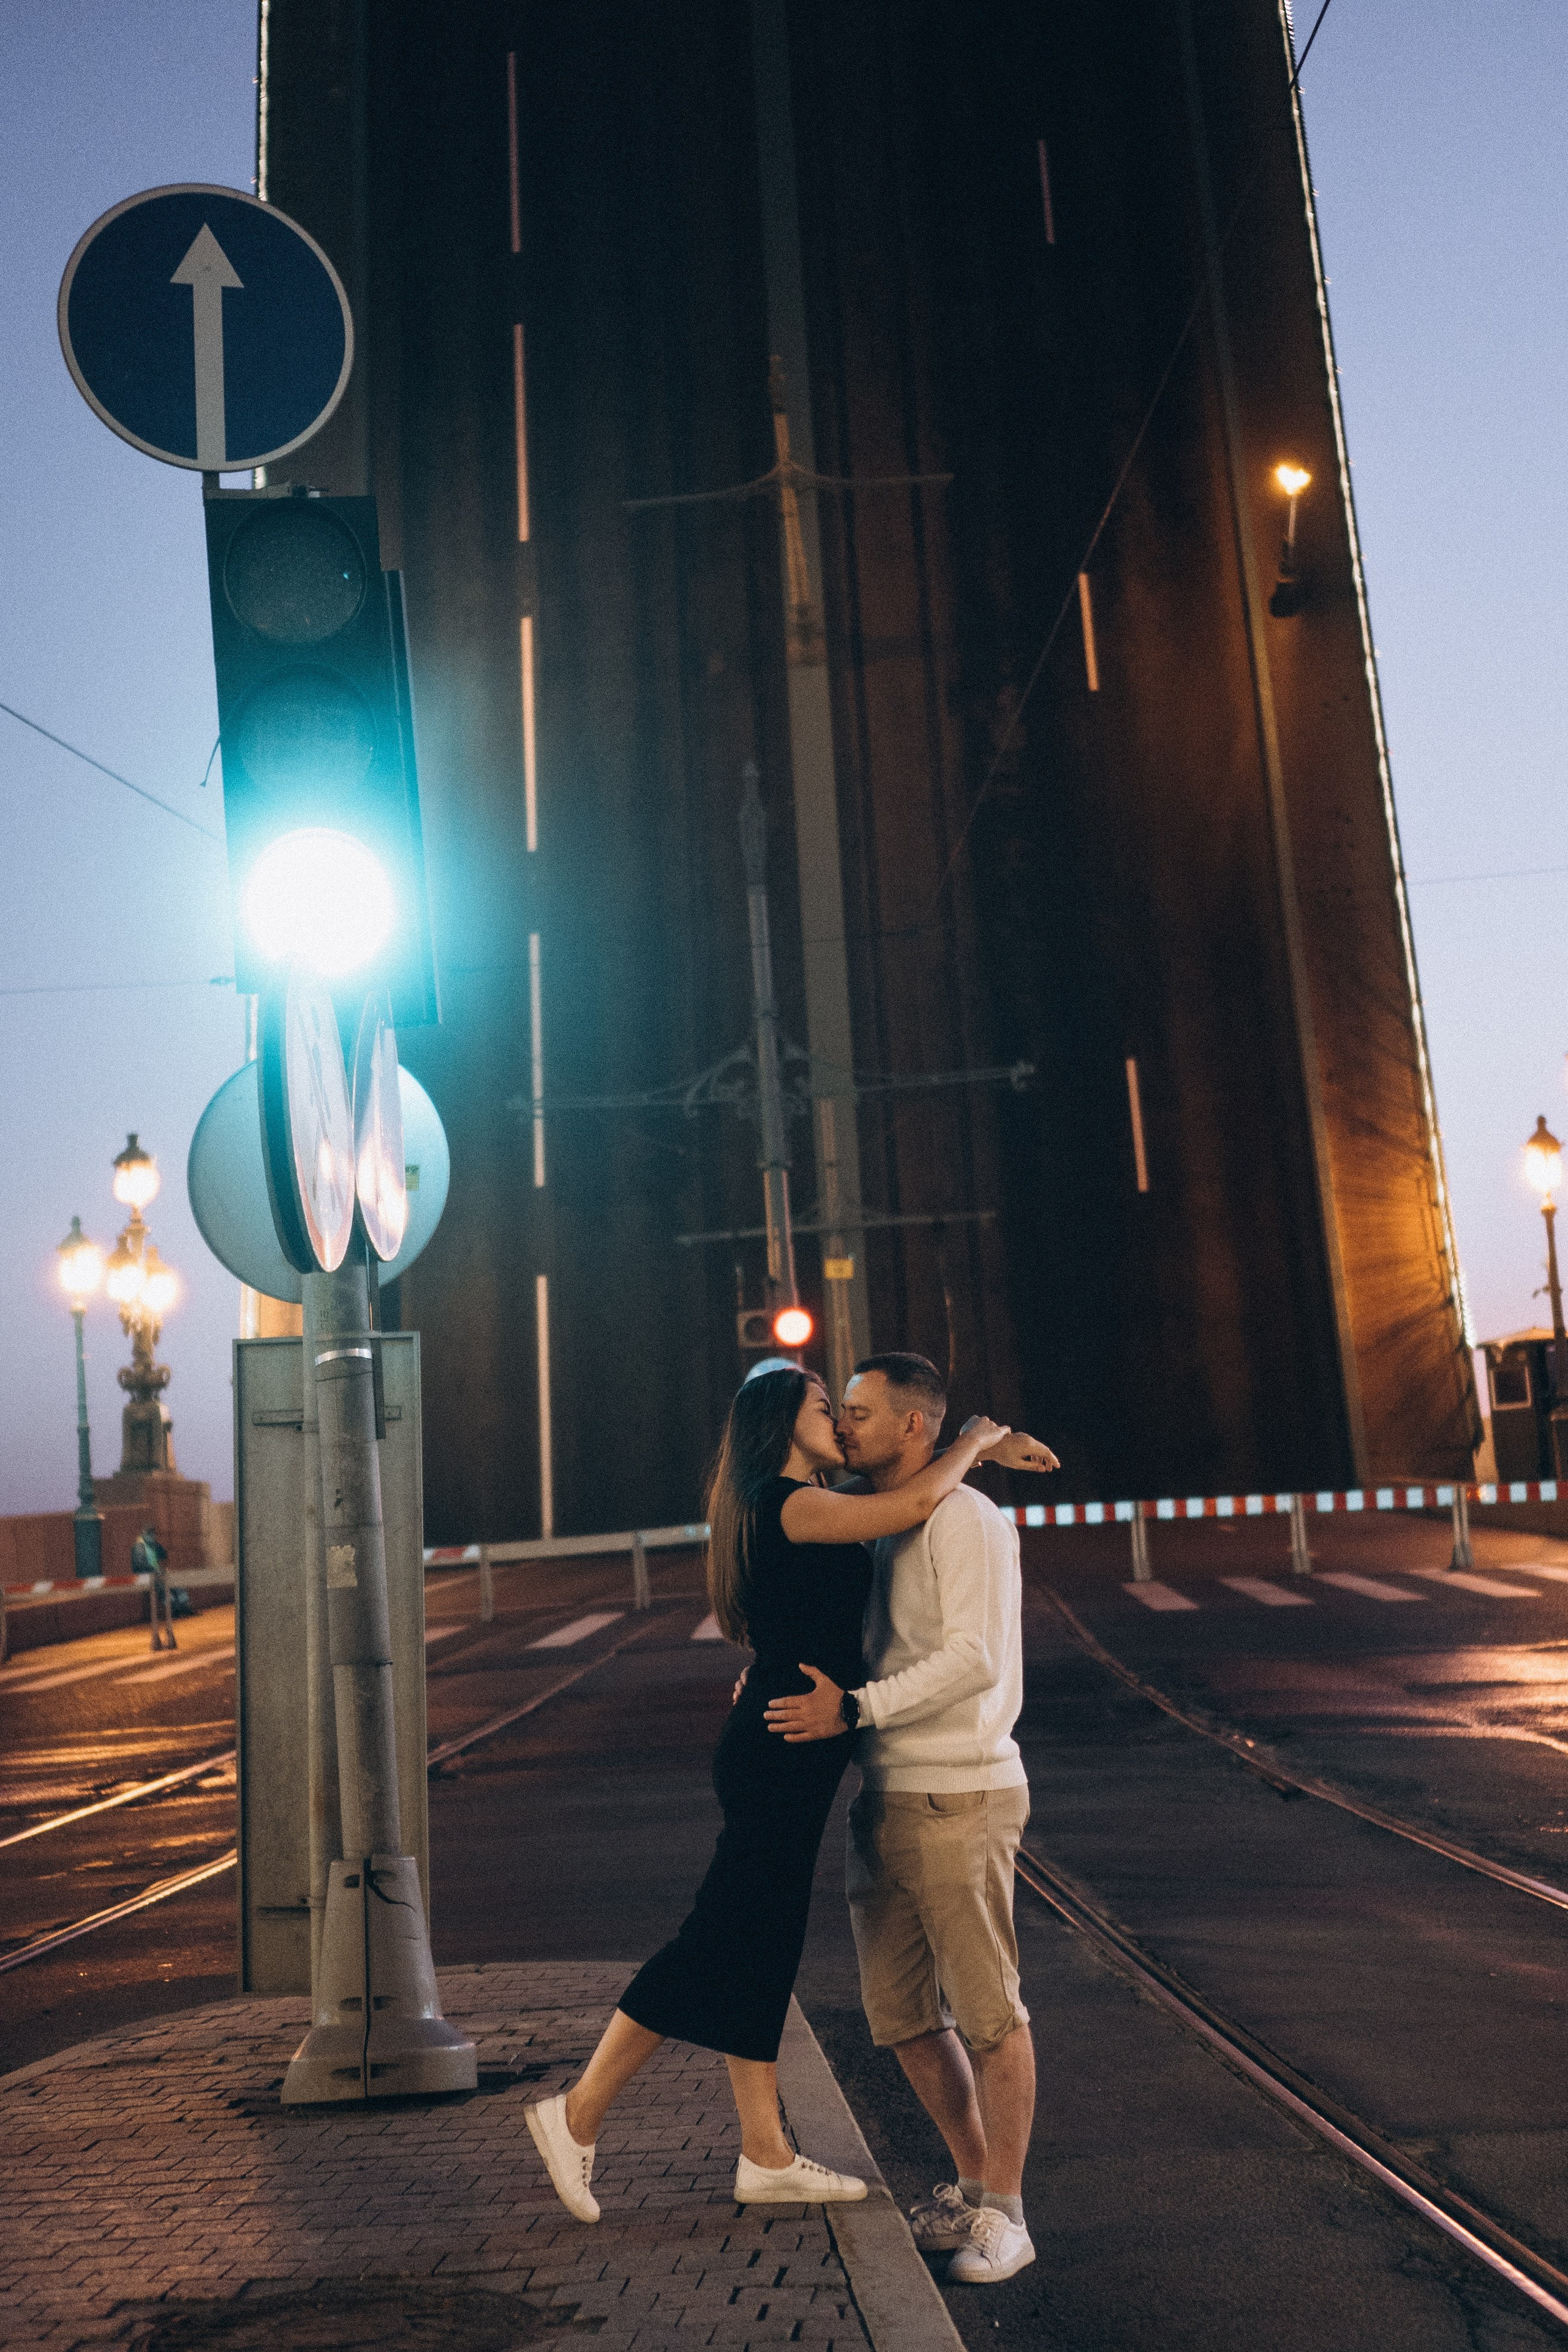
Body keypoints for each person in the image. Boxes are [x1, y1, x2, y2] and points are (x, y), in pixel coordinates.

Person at [523, 1364, 1012, 2223]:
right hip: (786, 1745)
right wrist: (973, 1441)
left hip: (788, 1739)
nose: (844, 1425)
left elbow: (876, 1506)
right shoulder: (788, 1500)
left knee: (763, 1941)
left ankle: (766, 2152)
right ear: (785, 1420)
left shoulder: (794, 1496)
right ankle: (575, 2114)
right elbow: (904, 1506)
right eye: (829, 1409)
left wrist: (973, 1449)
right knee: (718, 1935)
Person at [764, 1352, 1041, 2286]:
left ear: (915, 1427)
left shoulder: (964, 1517)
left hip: (960, 1791)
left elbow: (971, 1660)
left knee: (992, 2013)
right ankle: (971, 2182)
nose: (843, 1427)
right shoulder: (887, 1521)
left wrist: (858, 1709)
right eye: (838, 1410)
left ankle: (1007, 2211)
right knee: (903, 2018)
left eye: (860, 1412)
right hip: (884, 1793)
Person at [134, 1523, 175, 1653]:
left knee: (175, 1588)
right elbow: (140, 1563)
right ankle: (171, 1604)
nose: (153, 1537)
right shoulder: (139, 1546)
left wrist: (158, 1546)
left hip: (155, 1574)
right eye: (151, 1534)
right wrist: (153, 1570)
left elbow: (163, 1554)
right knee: (163, 1592)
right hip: (147, 1577)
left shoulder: (151, 1545)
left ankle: (177, 1606)